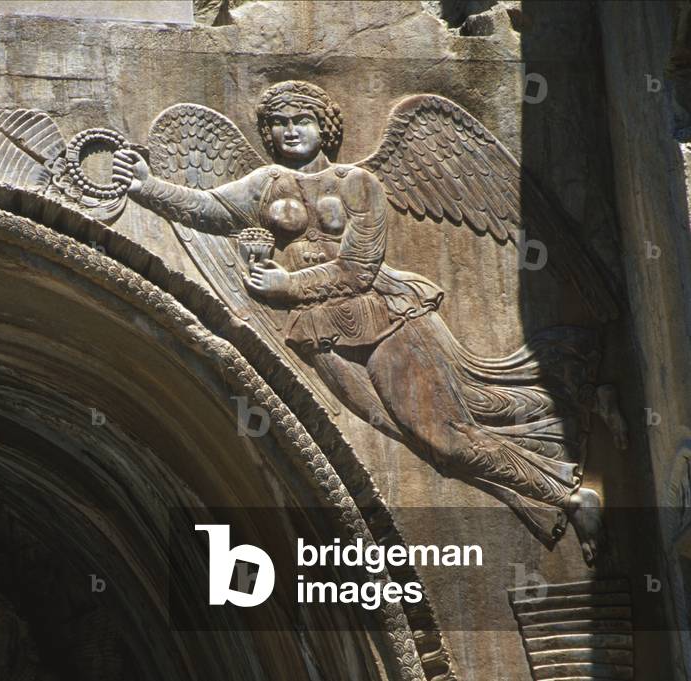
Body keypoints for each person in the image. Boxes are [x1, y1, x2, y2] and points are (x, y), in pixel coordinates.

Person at [113, 81, 616, 564]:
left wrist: (287, 285)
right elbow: (208, 208)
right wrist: (146, 186)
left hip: (385, 315)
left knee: (441, 433)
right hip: (321, 332)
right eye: (280, 123)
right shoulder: (265, 184)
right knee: (414, 433)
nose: (291, 130)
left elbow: (359, 268)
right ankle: (560, 452)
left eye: (303, 120)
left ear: (325, 127)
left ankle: (568, 492)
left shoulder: (357, 183)